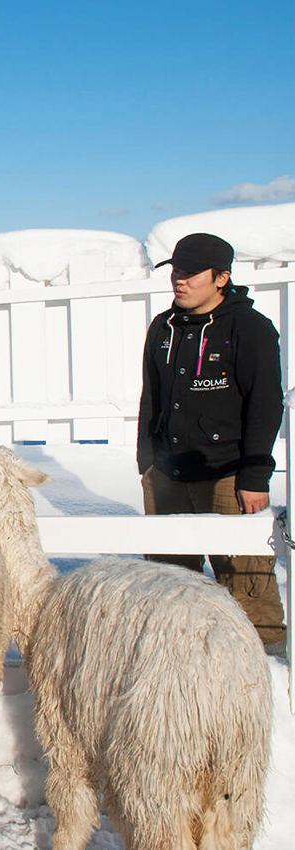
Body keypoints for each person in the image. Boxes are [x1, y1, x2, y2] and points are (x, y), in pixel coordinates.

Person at [137, 232, 287, 651]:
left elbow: (264, 404)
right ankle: (179, 660)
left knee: (245, 580)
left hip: (228, 475)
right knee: (168, 582)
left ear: (221, 277)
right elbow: (152, 398)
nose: (179, 281)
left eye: (190, 272)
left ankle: (267, 666)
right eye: (176, 271)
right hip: (167, 475)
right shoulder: (163, 328)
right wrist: (147, 463)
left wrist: (254, 476)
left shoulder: (250, 328)